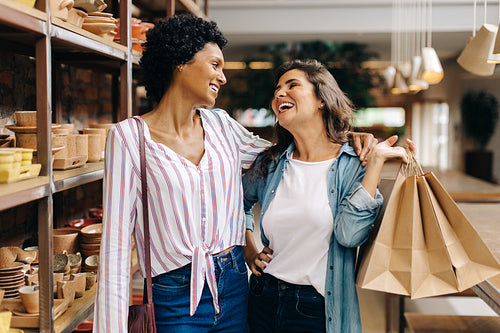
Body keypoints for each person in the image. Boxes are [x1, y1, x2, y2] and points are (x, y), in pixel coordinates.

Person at [93, 15, 377, 332]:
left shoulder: (222, 127)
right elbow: (115, 250)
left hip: (235, 288)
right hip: (173, 294)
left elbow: (293, 153)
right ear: (180, 63)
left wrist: (348, 141)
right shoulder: (128, 139)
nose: (223, 77)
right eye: (215, 65)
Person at [243, 59, 416, 333]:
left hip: (315, 307)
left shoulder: (353, 163)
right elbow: (235, 204)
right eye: (277, 89)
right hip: (262, 296)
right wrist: (249, 248)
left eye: (292, 85)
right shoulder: (270, 163)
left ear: (321, 99)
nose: (279, 94)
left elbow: (349, 235)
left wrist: (375, 164)